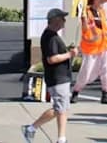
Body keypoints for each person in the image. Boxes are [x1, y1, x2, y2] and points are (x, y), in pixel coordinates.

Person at [21, 8, 79, 143]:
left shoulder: (52, 36)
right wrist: (70, 55)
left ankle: (61, 138)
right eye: (62, 18)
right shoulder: (50, 37)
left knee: (62, 108)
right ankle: (32, 128)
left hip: (61, 77)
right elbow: (51, 59)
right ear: (55, 20)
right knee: (60, 108)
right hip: (57, 77)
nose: (64, 21)